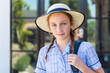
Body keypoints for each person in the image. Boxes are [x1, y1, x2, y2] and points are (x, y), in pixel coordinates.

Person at [35, 3, 105, 73]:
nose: (59, 29)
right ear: (49, 27)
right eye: (54, 25)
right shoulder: (44, 52)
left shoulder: (86, 48)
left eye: (63, 23)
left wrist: (82, 67)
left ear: (71, 24)